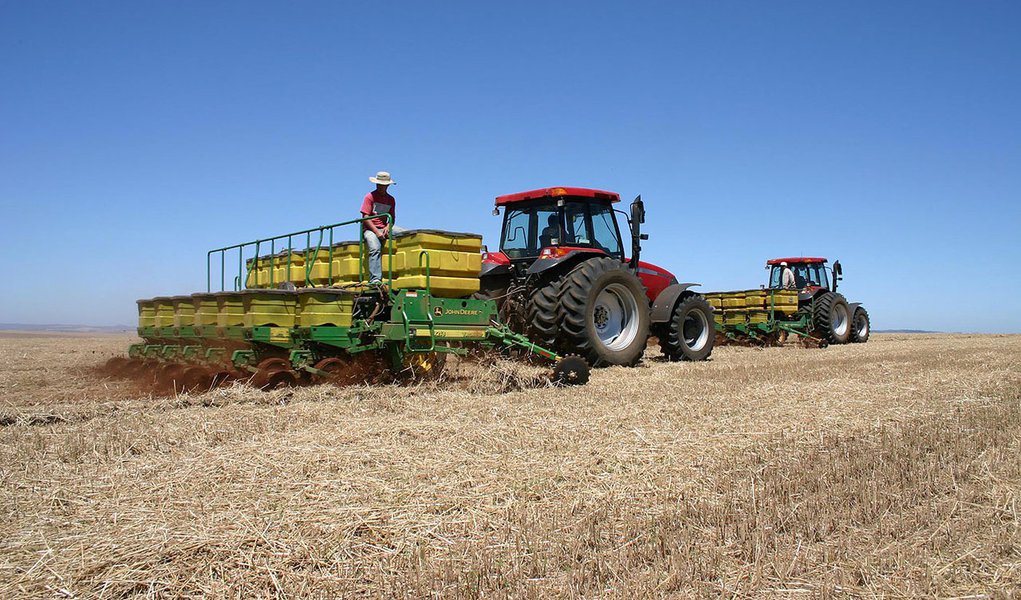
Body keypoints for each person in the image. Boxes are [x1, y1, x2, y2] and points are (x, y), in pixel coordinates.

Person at [361, 170, 399, 284]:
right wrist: (377, 232)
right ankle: (375, 279)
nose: (382, 187)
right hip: (370, 229)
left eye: (384, 185)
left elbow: (392, 218)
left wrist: (388, 227)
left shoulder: (391, 199)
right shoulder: (369, 197)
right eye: (380, 185)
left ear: (387, 185)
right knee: (374, 247)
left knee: (407, 234)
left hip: (384, 227)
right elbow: (365, 217)